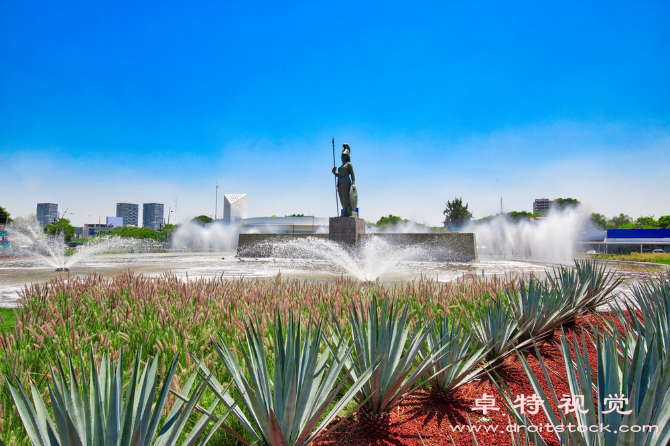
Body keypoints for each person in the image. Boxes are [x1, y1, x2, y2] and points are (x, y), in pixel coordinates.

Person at [332, 143, 355, 216]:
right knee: (341, 198)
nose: (342, 156)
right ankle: (344, 212)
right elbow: (339, 175)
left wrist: (353, 183)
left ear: (347, 156)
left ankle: (345, 212)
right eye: (342, 155)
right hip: (340, 182)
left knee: (345, 198)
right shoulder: (341, 166)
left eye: (344, 155)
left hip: (346, 182)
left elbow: (352, 174)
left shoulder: (349, 164)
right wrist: (334, 172)